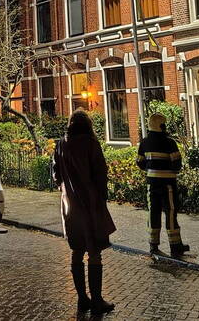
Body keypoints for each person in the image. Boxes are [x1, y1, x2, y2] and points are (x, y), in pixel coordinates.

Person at [52, 110, 117, 315]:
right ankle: (97, 299)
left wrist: (64, 190)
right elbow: (100, 173)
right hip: (90, 204)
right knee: (95, 251)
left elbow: (55, 174)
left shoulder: (61, 144)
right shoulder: (90, 143)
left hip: (69, 206)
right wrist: (102, 198)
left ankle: (82, 299)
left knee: (77, 250)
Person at [135, 112, 188, 257]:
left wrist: (150, 169)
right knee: (170, 212)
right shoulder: (169, 142)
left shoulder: (144, 142)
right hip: (168, 184)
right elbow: (177, 163)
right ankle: (175, 245)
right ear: (162, 125)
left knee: (153, 212)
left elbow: (139, 162)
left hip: (152, 183)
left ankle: (153, 245)